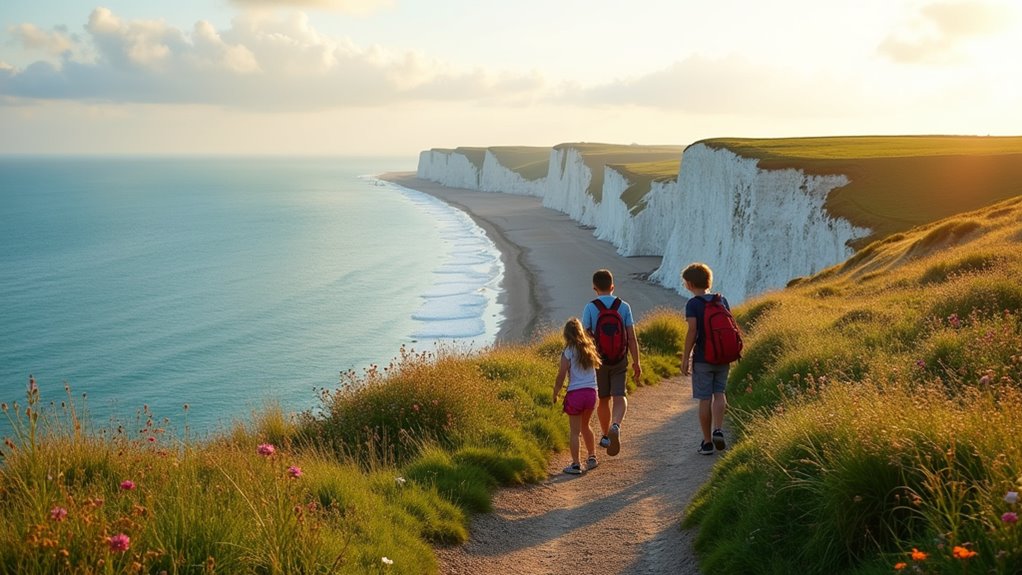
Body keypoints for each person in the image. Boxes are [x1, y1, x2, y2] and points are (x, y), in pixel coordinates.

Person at [582, 269, 641, 457]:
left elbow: (585, 338)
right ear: (612, 287)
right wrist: (636, 362)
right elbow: (631, 337)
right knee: (620, 394)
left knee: (604, 398)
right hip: (620, 359)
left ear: (594, 288)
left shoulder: (590, 308)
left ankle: (606, 434)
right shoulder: (623, 307)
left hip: (599, 360)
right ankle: (616, 424)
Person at [679, 262, 731, 455]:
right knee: (719, 393)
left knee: (704, 399)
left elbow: (692, 331)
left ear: (690, 284)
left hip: (703, 358)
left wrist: (686, 357)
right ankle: (718, 429)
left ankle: (707, 442)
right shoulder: (721, 300)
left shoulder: (693, 304)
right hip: (723, 356)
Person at [553, 317, 602, 474]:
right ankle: (592, 457)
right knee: (586, 426)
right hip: (591, 393)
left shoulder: (568, 351)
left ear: (566, 335)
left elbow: (561, 376)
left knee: (574, 431)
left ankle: (575, 465)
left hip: (576, 394)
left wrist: (555, 393)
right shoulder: (589, 349)